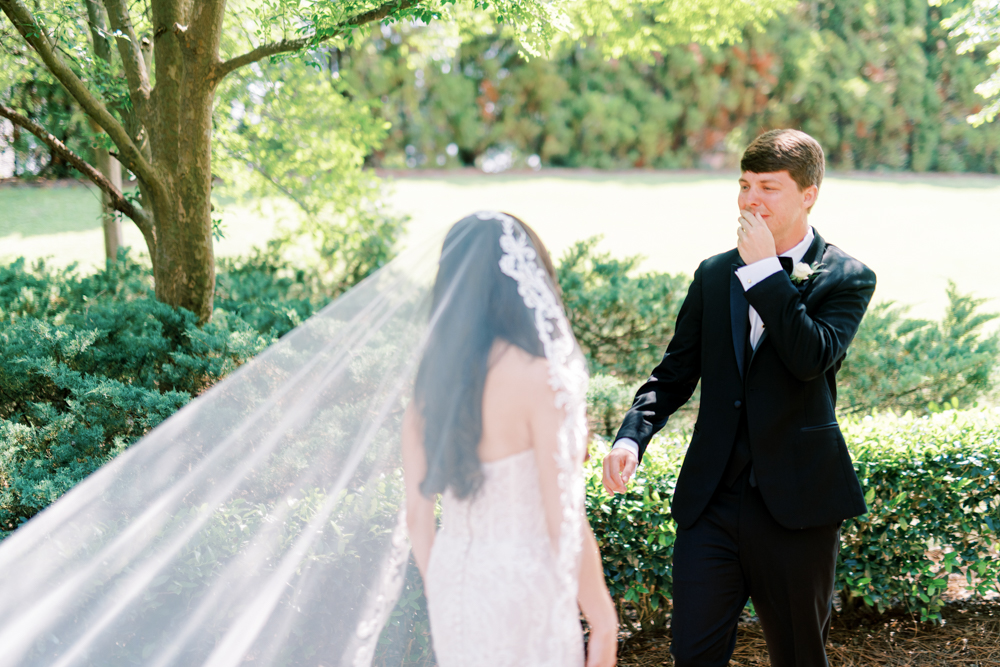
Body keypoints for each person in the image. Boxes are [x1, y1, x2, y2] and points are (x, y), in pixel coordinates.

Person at [602, 129, 877, 667]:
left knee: (800, 656)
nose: (751, 200)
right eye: (744, 185)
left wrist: (762, 272)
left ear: (808, 193)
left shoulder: (848, 277)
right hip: (713, 503)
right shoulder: (712, 274)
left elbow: (809, 358)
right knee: (694, 655)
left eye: (768, 187)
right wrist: (632, 437)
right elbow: (673, 374)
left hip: (798, 507)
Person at [402, 213, 618, 667]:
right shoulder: (541, 379)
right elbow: (565, 519)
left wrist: (440, 582)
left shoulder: (430, 383)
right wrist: (602, 618)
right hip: (524, 585)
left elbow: (418, 519)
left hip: (454, 580)